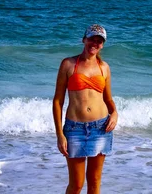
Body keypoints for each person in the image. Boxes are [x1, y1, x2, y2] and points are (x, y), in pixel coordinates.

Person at [53, 24, 118, 194]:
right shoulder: (68, 64)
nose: (94, 43)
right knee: (76, 185)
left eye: (99, 41)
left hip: (101, 128)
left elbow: (108, 99)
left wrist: (115, 113)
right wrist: (60, 134)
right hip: (75, 129)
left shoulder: (104, 68)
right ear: (84, 39)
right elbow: (58, 101)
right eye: (91, 39)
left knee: (95, 183)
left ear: (102, 45)